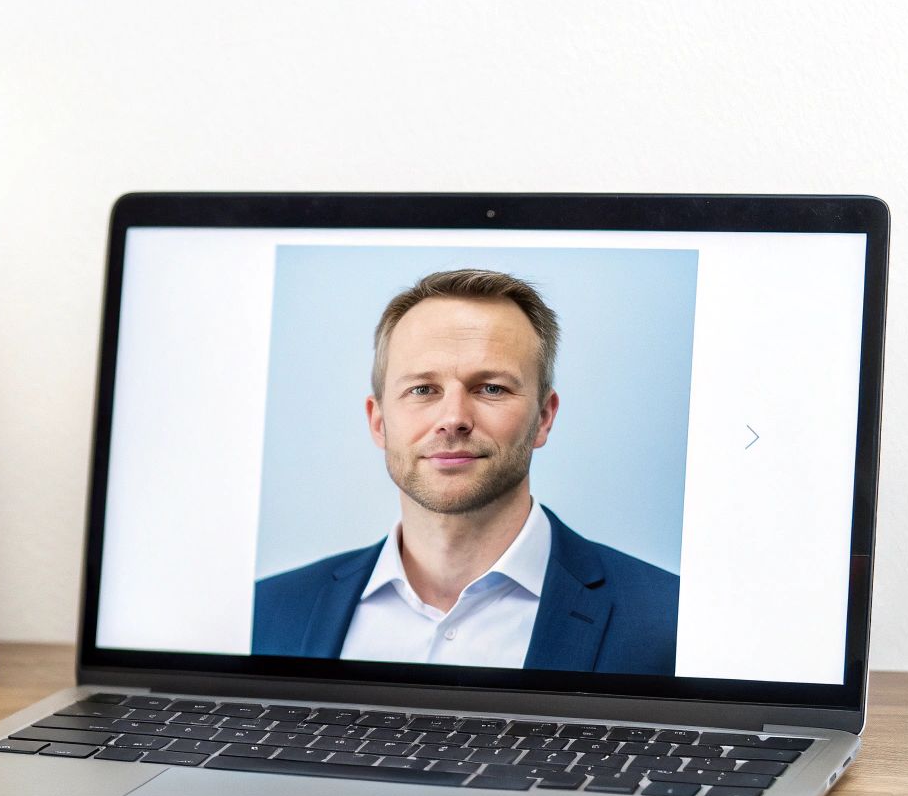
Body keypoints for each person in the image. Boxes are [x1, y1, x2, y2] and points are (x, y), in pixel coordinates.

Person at [252, 268, 677, 674]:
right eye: (422, 389)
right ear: (378, 422)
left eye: (491, 388)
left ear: (544, 418)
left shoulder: (670, 618)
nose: (453, 418)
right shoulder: (265, 611)